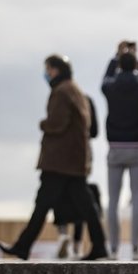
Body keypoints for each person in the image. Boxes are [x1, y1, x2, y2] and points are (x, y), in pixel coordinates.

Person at [0, 54, 108, 261]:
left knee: (42, 206)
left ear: (56, 70)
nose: (46, 74)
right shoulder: (75, 90)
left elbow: (57, 123)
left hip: (60, 162)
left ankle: (23, 246)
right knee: (86, 206)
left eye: (48, 69)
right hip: (73, 161)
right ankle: (100, 245)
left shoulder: (61, 92)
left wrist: (43, 124)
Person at [102, 47, 138, 261]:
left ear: (119, 66)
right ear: (137, 66)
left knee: (113, 202)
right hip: (137, 149)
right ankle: (135, 248)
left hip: (115, 148)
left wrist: (115, 59)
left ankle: (113, 249)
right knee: (137, 201)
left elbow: (105, 78)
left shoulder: (109, 88)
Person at [52, 95, 100, 259]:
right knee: (81, 195)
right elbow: (94, 132)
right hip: (82, 154)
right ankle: (77, 245)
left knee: (60, 191)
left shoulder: (61, 101)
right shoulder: (88, 101)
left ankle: (63, 233)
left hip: (62, 152)